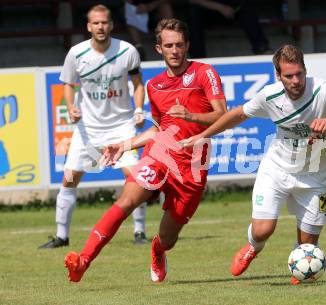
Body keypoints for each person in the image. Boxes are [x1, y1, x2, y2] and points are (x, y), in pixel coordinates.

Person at [181, 44, 326, 284]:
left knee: (308, 243)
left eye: (299, 73)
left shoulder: (322, 90)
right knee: (262, 230)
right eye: (288, 75)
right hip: (276, 170)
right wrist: (203, 135)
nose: (295, 80)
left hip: (314, 176)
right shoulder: (269, 95)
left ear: (305, 70)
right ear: (278, 76)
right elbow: (238, 114)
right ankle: (252, 247)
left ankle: (301, 267)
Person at [63, 18, 227, 283]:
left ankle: (157, 250)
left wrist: (191, 116)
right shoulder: (155, 85)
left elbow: (222, 116)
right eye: (169, 45)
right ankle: (83, 261)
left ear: (187, 46)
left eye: (179, 45)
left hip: (192, 168)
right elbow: (158, 130)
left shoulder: (203, 73)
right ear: (159, 48)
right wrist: (124, 145)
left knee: (168, 237)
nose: (175, 51)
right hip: (159, 155)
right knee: (126, 201)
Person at [38, 5, 149, 249]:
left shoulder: (127, 51)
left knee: (135, 179)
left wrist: (140, 110)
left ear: (111, 25)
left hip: (122, 126)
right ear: (89, 26)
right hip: (88, 129)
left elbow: (138, 84)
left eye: (105, 22)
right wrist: (70, 107)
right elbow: (68, 83)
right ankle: (61, 236)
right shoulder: (76, 53)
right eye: (96, 23)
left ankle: (140, 232)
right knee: (69, 178)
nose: (100, 27)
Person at [188, 0, 272, 58]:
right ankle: (197, 57)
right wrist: (220, 7)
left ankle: (261, 47)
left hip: (231, 11)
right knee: (193, 14)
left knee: (246, 8)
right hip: (209, 11)